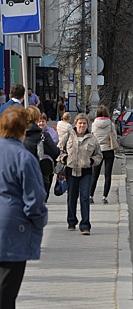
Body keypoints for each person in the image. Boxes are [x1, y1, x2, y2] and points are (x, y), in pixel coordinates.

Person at [0, 106, 48, 309]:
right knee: (6, 295)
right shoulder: (24, 158)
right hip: (13, 231)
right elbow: (35, 201)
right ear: (23, 130)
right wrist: (39, 221)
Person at [57, 113, 102, 235]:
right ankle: (71, 221)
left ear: (87, 125)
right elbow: (59, 151)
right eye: (79, 123)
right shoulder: (68, 137)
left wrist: (92, 161)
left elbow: (99, 155)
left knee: (84, 197)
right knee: (72, 197)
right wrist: (65, 159)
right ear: (75, 124)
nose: (82, 125)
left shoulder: (92, 139)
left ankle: (85, 225)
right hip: (71, 171)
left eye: (84, 123)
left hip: (86, 172)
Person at [24, 106, 60, 202]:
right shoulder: (44, 136)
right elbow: (56, 152)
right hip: (41, 179)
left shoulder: (18, 136)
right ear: (37, 118)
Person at [90, 105, 118, 204]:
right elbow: (114, 136)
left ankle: (91, 195)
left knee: (94, 175)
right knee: (107, 175)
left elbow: (92, 136)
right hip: (109, 150)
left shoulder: (94, 124)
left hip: (97, 151)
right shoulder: (110, 124)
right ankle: (104, 197)